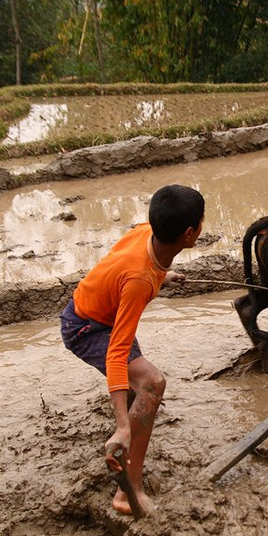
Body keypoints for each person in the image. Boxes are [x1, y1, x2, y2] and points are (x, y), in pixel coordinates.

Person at [60, 184, 205, 516]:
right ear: (188, 234)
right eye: (201, 223)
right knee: (152, 383)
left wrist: (163, 276)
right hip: (87, 329)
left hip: (104, 314)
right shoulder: (138, 281)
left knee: (137, 386)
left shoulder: (147, 234)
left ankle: (127, 445)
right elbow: (116, 352)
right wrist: (123, 424)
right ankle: (128, 493)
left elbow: (126, 264)